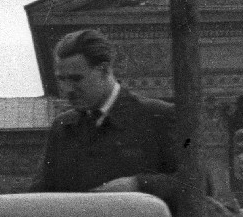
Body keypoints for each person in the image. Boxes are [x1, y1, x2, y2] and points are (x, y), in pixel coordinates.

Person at [31, 27, 177, 197]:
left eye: (76, 78)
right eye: (62, 79)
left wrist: (138, 184)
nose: (67, 89)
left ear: (104, 70)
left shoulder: (159, 116)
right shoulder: (63, 127)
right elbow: (40, 194)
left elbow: (200, 183)